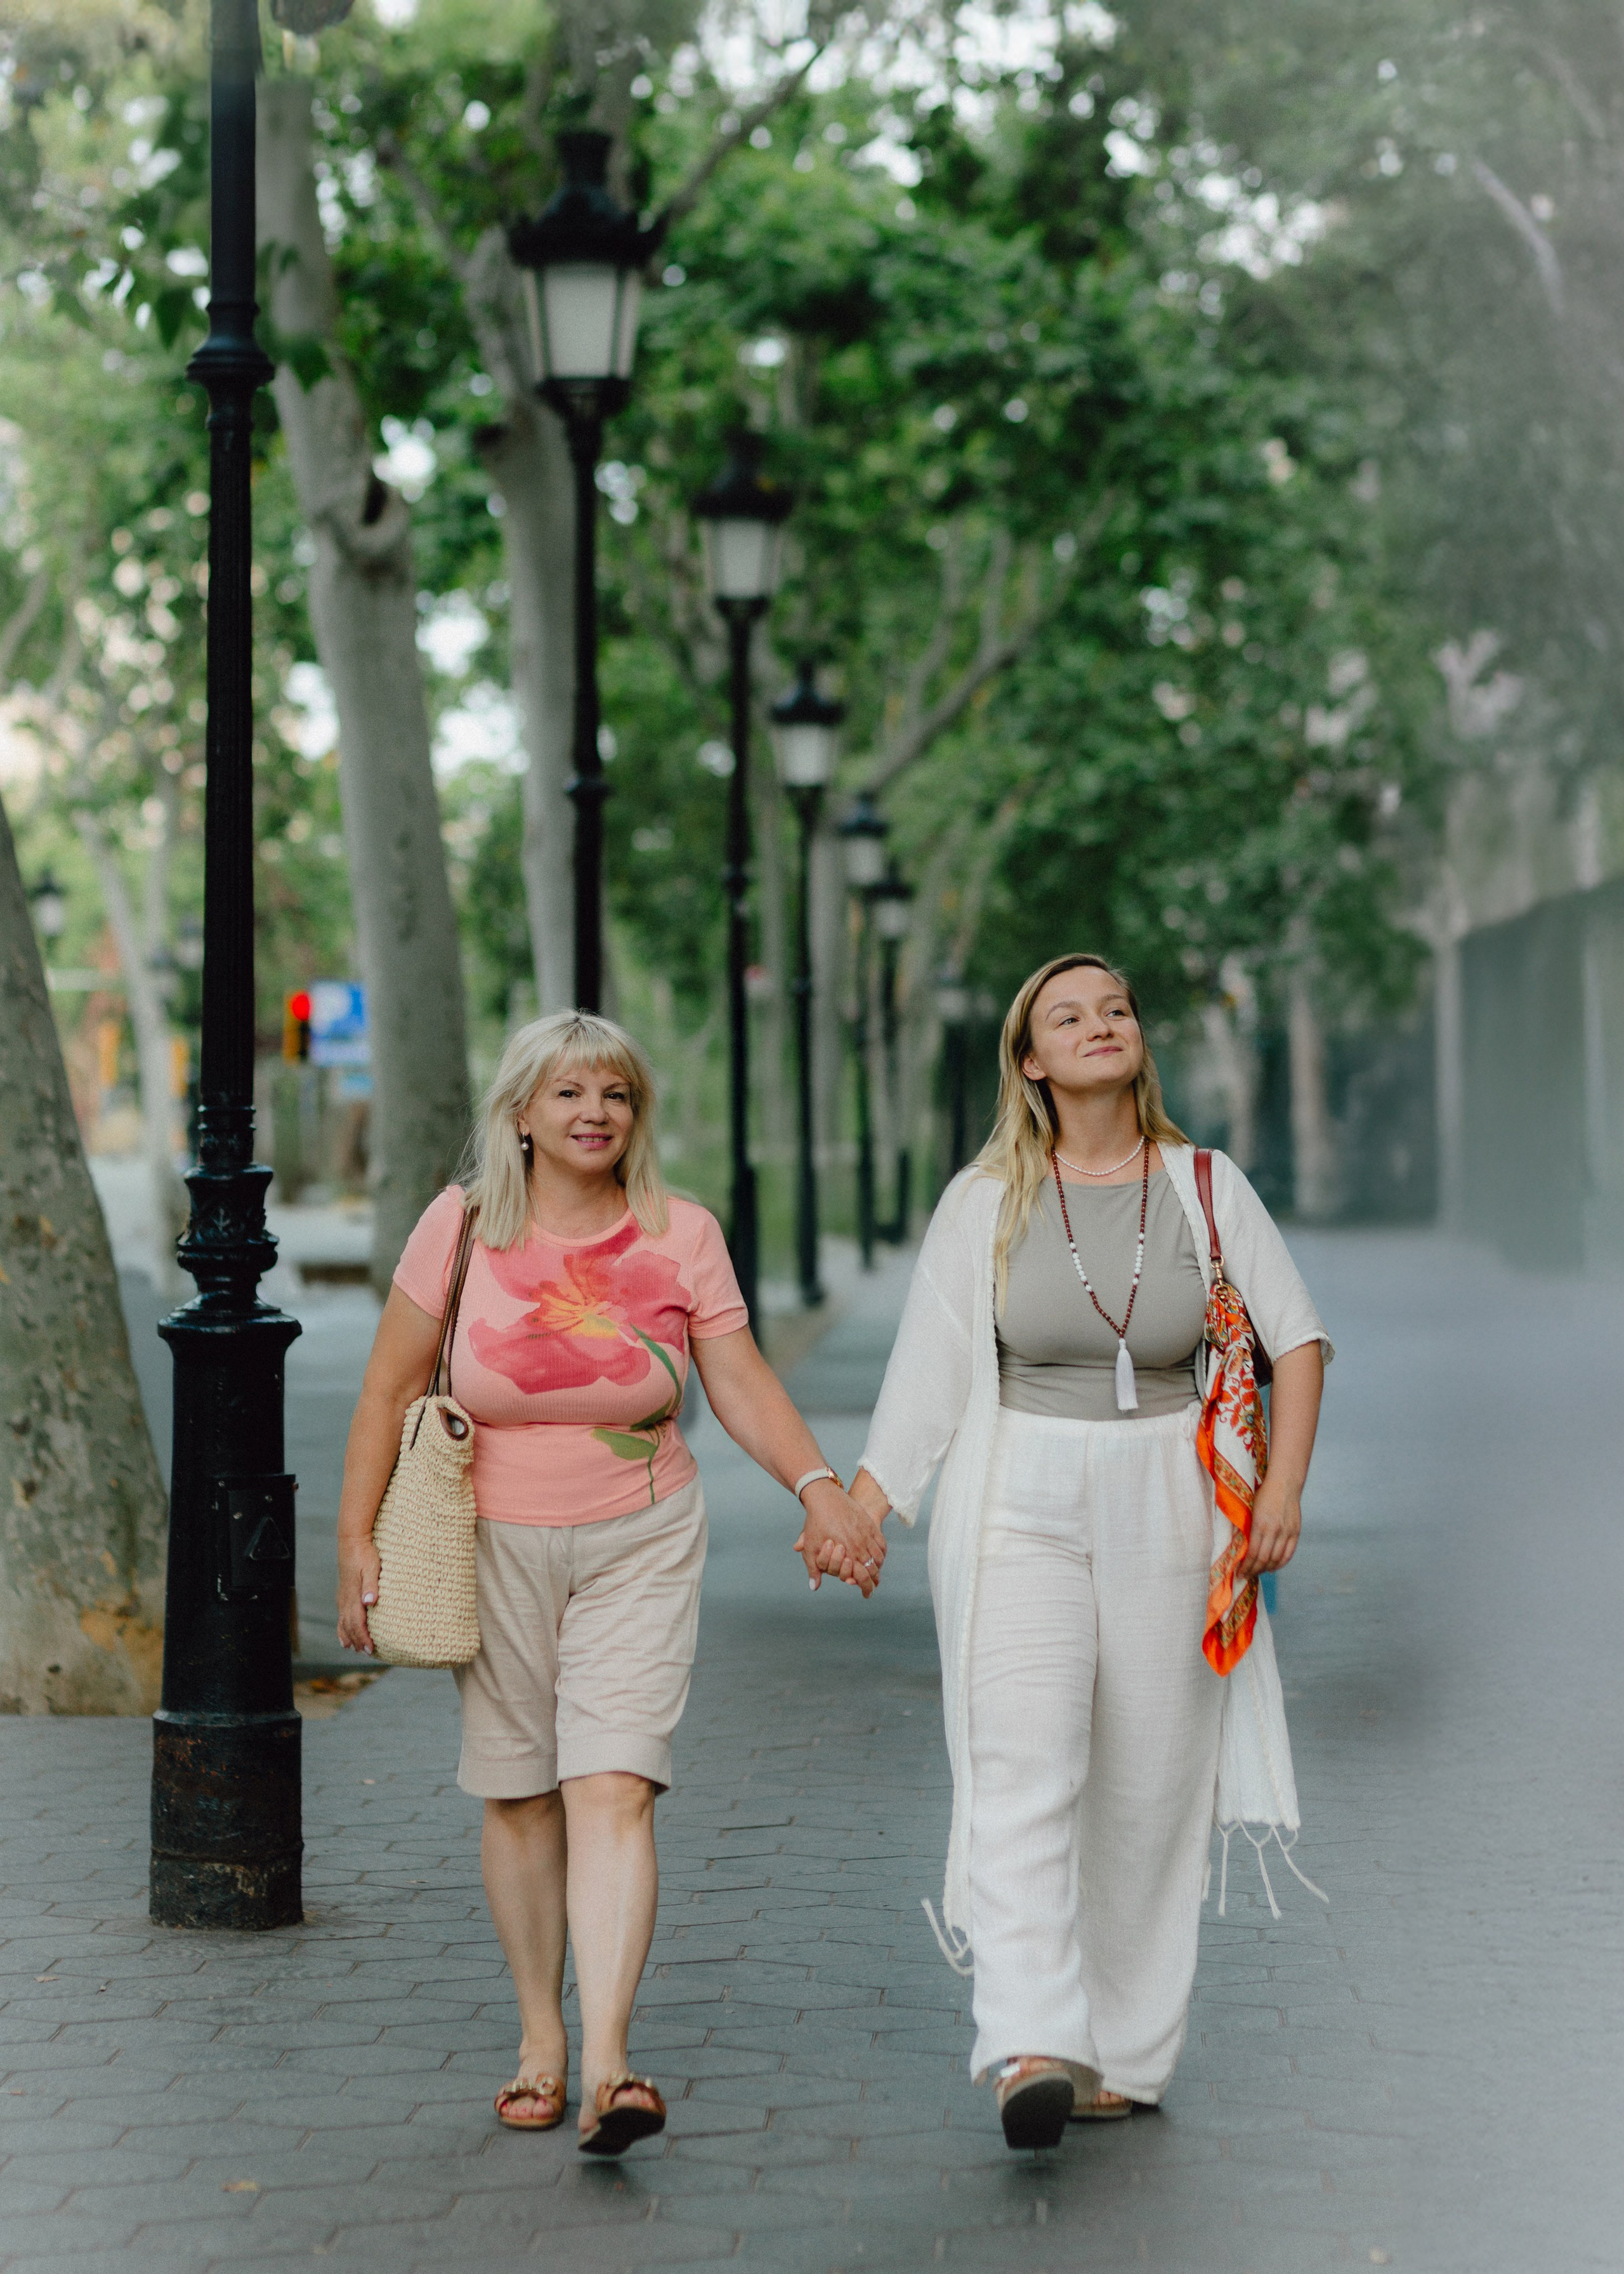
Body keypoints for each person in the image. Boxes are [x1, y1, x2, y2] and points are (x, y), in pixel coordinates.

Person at [334, 1010, 885, 2155]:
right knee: (521, 1791)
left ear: (637, 1113)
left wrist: (820, 1488)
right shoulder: (465, 1224)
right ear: (523, 1114)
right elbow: (389, 1386)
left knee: (616, 1784)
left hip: (642, 1534)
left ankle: (611, 2065)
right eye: (570, 1094)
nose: (595, 1114)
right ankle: (542, 2039)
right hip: (488, 1536)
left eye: (617, 1095)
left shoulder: (680, 1234)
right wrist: (356, 1542)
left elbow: (736, 1380)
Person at [844, 954, 1331, 2148]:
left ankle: (1123, 2054)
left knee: (1150, 1788)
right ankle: (1026, 2039)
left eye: (1114, 1008)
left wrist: (1281, 1489)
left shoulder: (1206, 1183)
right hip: (1020, 1495)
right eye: (1068, 1016)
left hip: (1173, 1494)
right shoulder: (984, 1201)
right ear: (1032, 1061)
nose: (1099, 1025)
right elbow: (925, 1375)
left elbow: (1300, 1339)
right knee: (1022, 1763)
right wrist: (861, 1506)